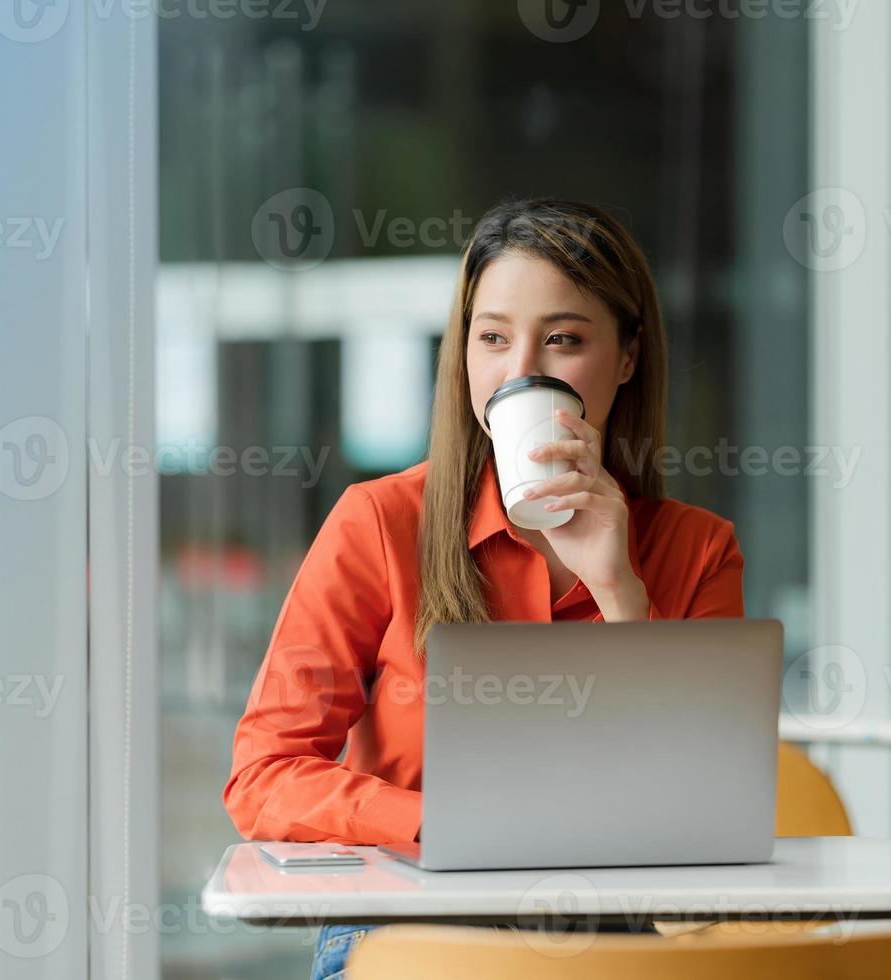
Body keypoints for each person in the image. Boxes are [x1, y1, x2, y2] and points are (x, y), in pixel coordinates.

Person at [222, 197, 745, 980]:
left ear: (628, 356)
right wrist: (442, 822)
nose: (520, 371)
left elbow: (708, 802)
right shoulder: (379, 523)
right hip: (414, 926)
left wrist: (617, 589)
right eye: (493, 337)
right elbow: (263, 774)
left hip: (615, 934)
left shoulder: (697, 549)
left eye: (563, 339)